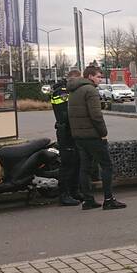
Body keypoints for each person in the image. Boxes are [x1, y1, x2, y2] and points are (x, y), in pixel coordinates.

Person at [67, 66, 125, 210]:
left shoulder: (73, 90)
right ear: (90, 76)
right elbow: (96, 115)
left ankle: (88, 200)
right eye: (99, 76)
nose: (100, 79)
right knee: (107, 165)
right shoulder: (90, 90)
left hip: (79, 136)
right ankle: (109, 199)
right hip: (92, 135)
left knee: (84, 168)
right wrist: (103, 132)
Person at [50, 70, 84, 206]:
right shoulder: (61, 92)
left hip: (72, 131)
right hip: (66, 132)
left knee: (76, 162)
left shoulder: (68, 91)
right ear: (73, 79)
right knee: (68, 164)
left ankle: (74, 191)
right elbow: (64, 113)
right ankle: (64, 195)